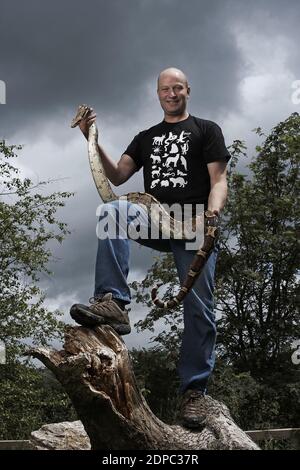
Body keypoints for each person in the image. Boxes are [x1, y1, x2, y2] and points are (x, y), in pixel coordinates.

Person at [70, 67, 230, 429]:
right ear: (157, 94)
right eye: (164, 89)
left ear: (188, 90)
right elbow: (117, 176)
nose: (171, 94)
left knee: (199, 308)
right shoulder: (146, 137)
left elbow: (219, 180)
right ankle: (113, 301)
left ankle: (194, 394)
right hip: (154, 216)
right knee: (112, 210)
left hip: (193, 223)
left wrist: (212, 215)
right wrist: (91, 138)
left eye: (177, 88)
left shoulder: (206, 130)